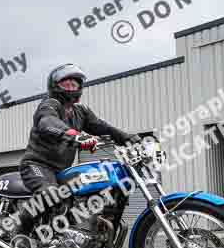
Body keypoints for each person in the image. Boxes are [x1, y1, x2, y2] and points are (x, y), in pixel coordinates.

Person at [16, 63, 141, 235]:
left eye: (74, 85)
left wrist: (127, 137)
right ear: (55, 86)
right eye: (66, 84)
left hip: (62, 170)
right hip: (37, 165)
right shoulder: (49, 105)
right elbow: (47, 122)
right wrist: (75, 135)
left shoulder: (80, 112)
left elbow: (102, 127)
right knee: (49, 194)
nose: (71, 88)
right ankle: (19, 233)